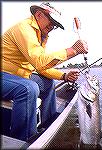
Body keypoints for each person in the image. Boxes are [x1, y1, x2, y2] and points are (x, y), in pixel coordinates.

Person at [1, 2, 88, 141]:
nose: (53, 27)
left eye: (55, 25)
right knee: (29, 88)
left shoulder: (40, 36)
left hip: (17, 76)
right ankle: (23, 139)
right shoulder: (24, 29)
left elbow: (41, 67)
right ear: (39, 14)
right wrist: (72, 50)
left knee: (47, 84)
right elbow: (40, 61)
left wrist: (64, 76)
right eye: (52, 21)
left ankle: (47, 125)